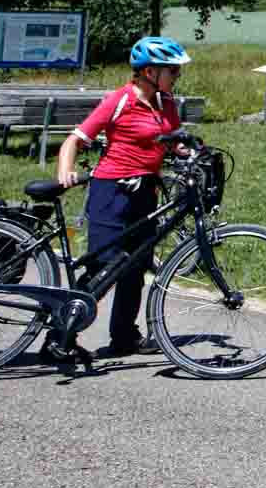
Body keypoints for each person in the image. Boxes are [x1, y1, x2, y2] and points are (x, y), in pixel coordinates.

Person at [52, 35, 191, 359]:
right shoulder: (120, 100)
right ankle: (59, 338)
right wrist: (66, 170)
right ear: (148, 72)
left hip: (146, 192)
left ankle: (124, 337)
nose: (177, 76)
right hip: (111, 191)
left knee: (136, 267)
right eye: (172, 70)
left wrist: (186, 151)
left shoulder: (167, 102)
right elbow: (75, 139)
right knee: (105, 266)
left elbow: (166, 141)